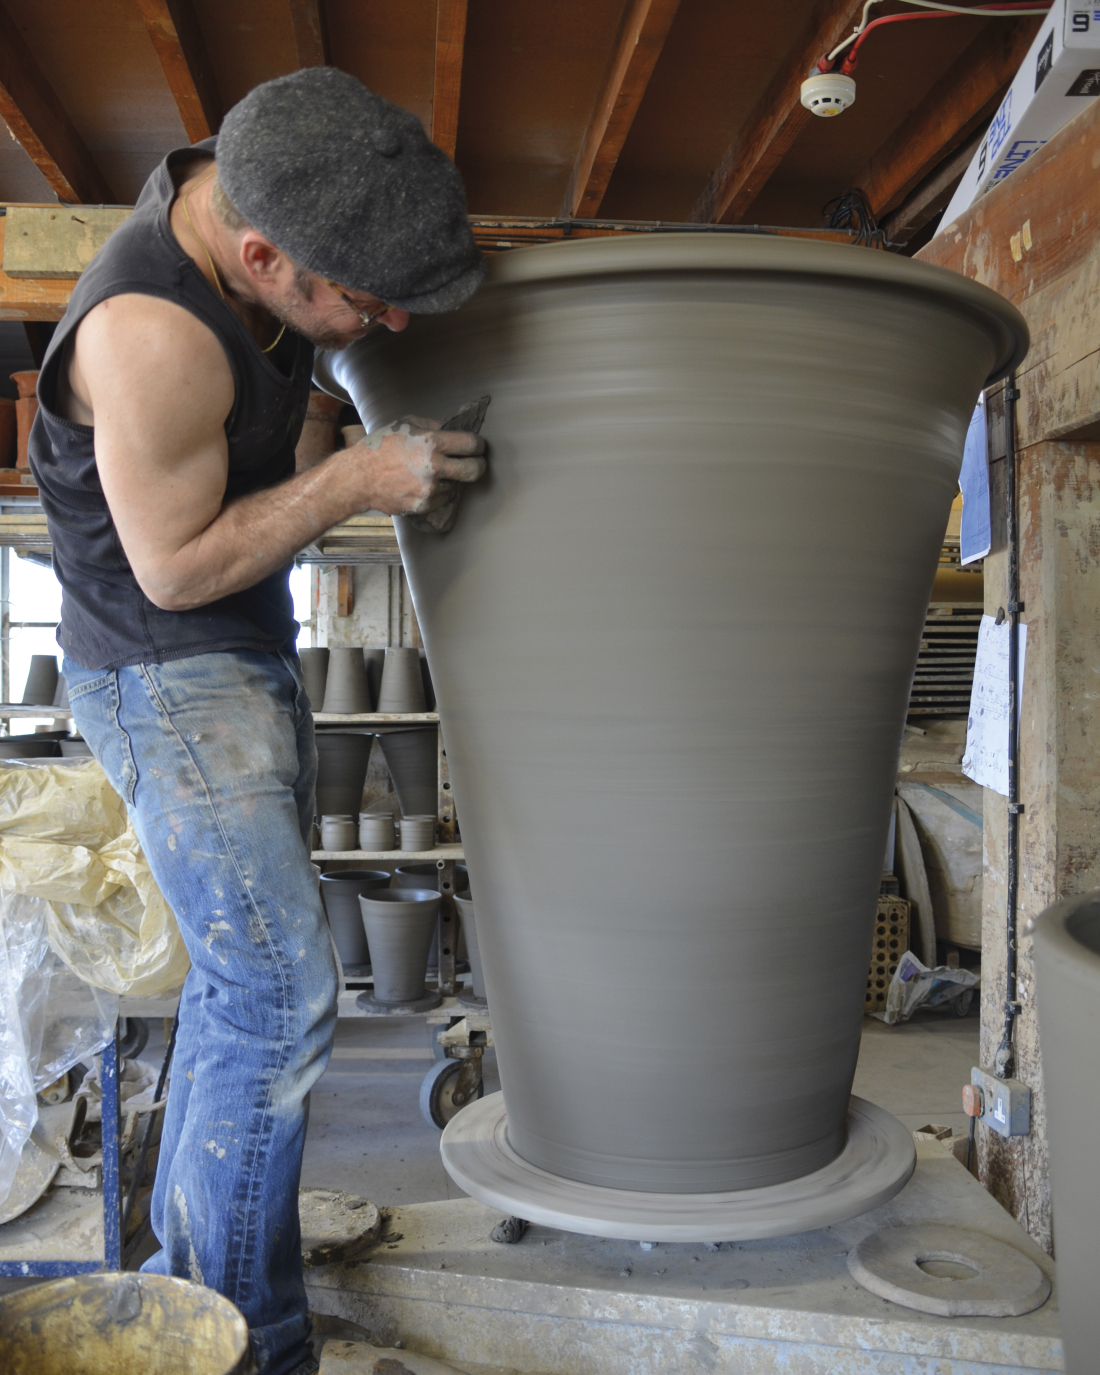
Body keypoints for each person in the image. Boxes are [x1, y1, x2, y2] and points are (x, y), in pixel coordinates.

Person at [28, 68, 487, 1375]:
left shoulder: (257, 232)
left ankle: (191, 1285)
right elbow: (172, 569)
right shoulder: (149, 332)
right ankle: (249, 1346)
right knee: (277, 994)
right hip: (166, 667)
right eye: (361, 297)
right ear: (260, 253)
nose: (384, 318)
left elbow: (276, 421)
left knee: (244, 998)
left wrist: (328, 413)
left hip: (239, 645)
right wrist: (354, 475)